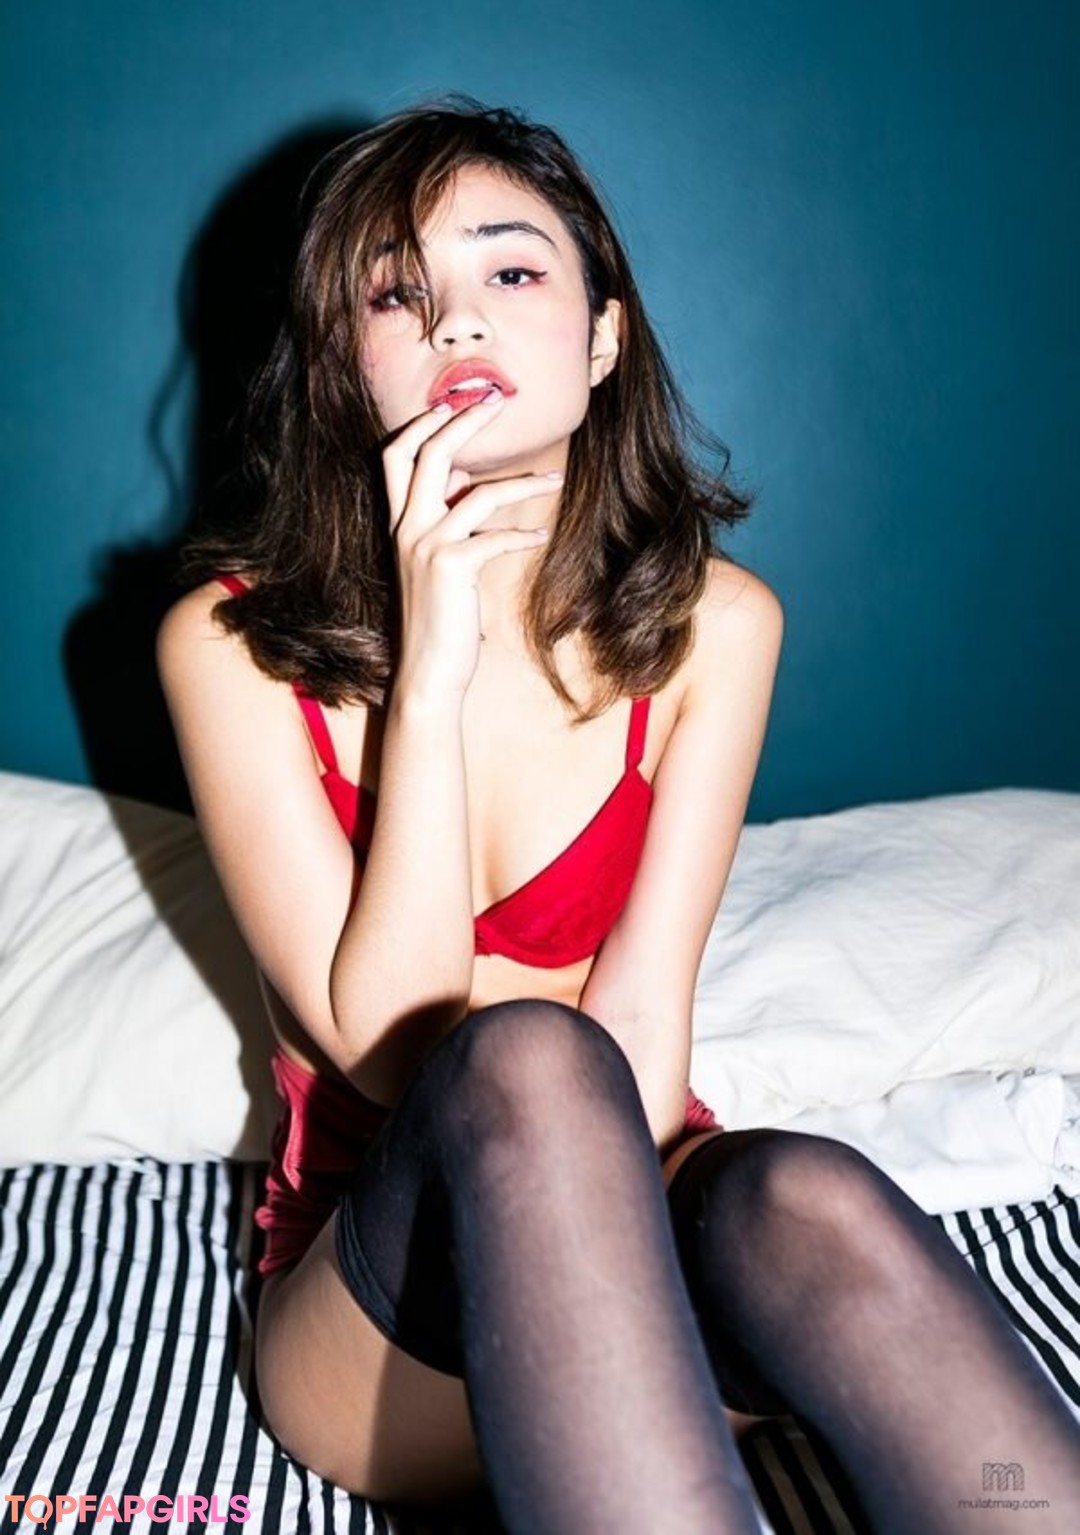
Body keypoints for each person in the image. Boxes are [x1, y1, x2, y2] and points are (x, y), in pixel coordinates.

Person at [158, 96, 1080, 1534]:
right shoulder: (227, 649)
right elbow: (390, 1052)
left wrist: (636, 1277)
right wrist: (434, 666)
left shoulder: (721, 629)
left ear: (601, 339)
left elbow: (646, 1034)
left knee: (810, 1194)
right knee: (526, 1057)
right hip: (381, 1328)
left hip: (641, 1258)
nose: (458, 319)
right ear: (348, 361)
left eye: (512, 269)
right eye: (397, 293)